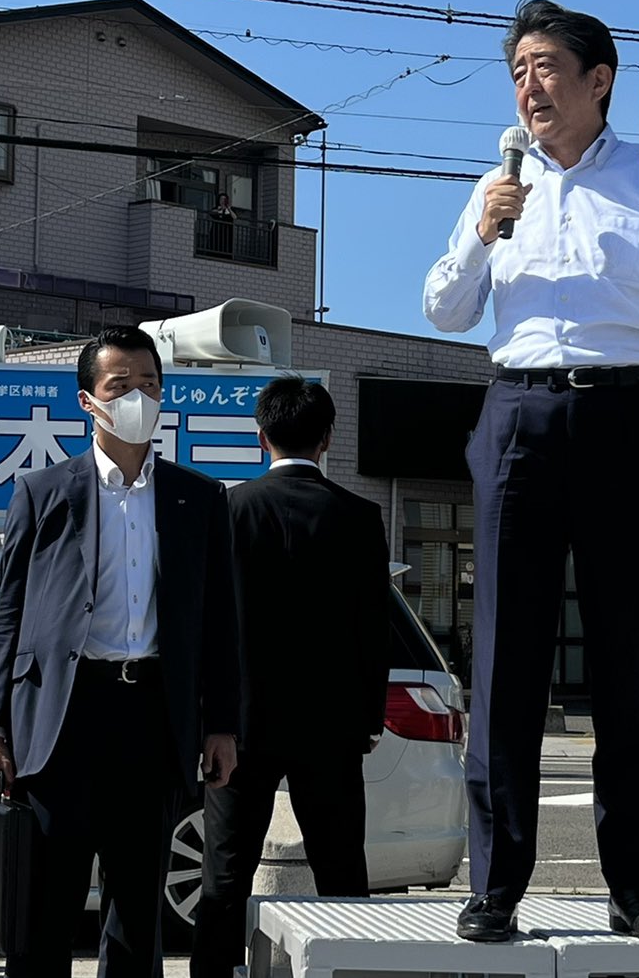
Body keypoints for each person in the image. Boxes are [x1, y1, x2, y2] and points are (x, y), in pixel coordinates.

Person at [420, 0, 639, 942]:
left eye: (545, 67)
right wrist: (485, 231)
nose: (529, 85)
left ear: (598, 79)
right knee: (506, 658)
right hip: (519, 410)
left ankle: (635, 888)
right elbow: (446, 310)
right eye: (518, 69)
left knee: (624, 658)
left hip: (627, 410)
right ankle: (496, 889)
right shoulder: (497, 183)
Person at [0, 325, 243, 978]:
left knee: (136, 909)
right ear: (87, 402)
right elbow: (8, 615)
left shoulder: (197, 499)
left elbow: (221, 623)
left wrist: (224, 724)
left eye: (150, 385)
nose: (138, 398)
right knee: (47, 904)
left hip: (150, 714)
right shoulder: (44, 492)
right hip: (62, 716)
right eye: (120, 386)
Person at [191, 377, 389, 978]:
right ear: (327, 439)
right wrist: (367, 718)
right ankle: (347, 973)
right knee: (341, 872)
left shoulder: (230, 509)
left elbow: (209, 624)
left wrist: (210, 717)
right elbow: (373, 628)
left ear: (261, 436)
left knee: (225, 875)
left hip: (242, 724)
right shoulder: (359, 516)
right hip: (330, 725)